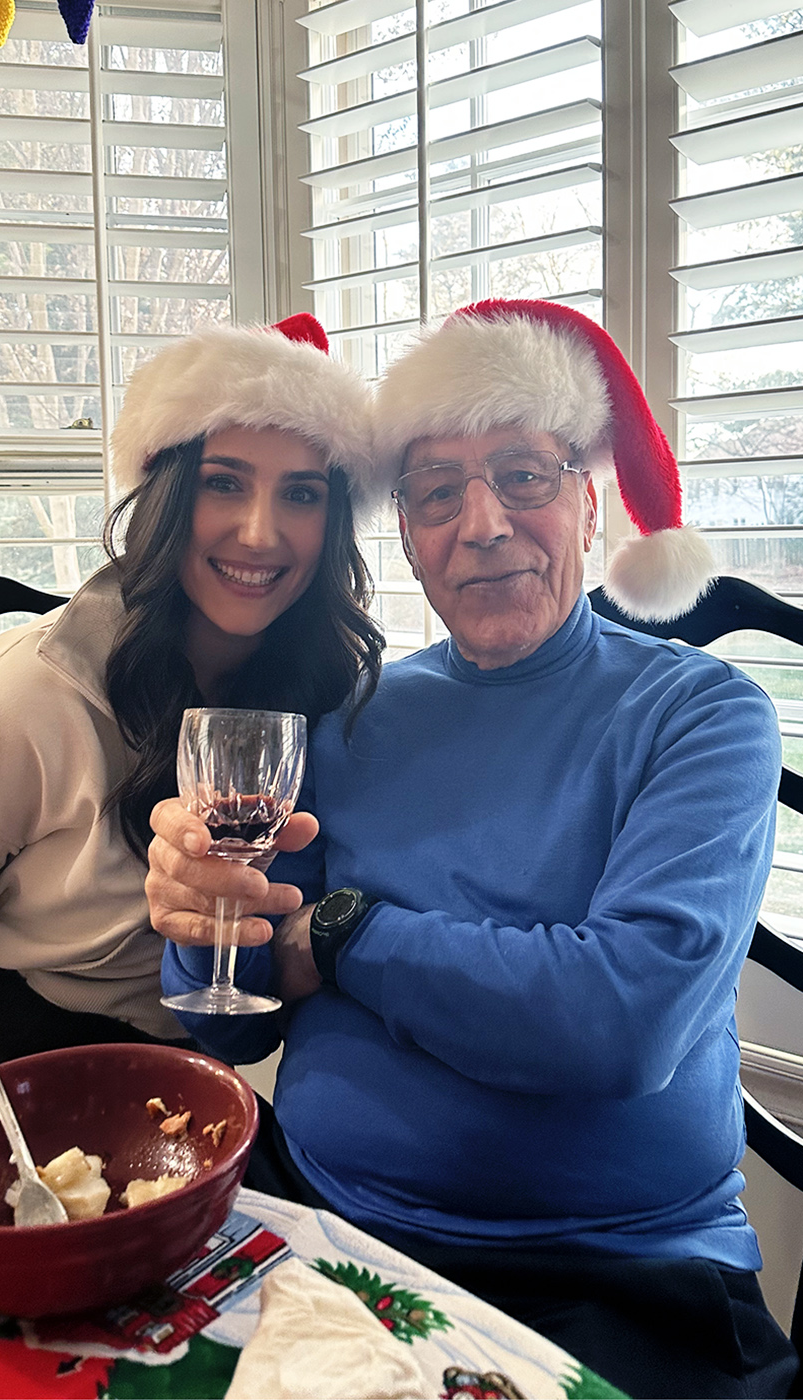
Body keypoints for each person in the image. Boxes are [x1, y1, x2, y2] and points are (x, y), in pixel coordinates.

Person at [146, 299, 796, 1398]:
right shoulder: (347, 714)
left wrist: (345, 932)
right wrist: (195, 902)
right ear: (405, 531)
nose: (482, 522)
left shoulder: (702, 714)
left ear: (589, 503)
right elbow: (226, 985)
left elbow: (616, 1023)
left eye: (523, 475)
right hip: (321, 1233)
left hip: (613, 1276)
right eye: (436, 491)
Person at [0, 315, 383, 1118]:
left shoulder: (334, 690)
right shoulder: (27, 693)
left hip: (191, 1077)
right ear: (163, 493)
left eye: (301, 493)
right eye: (222, 482)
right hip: (4, 1065)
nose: (260, 534)